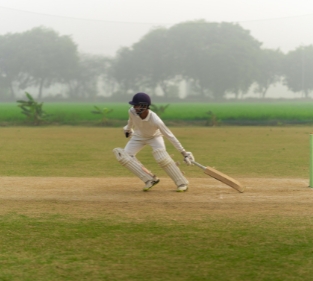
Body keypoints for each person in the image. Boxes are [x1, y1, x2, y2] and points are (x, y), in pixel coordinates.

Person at [113, 92, 194, 192]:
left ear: (144, 106)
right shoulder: (132, 111)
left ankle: (182, 183)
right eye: (133, 105)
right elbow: (131, 121)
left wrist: (184, 153)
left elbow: (170, 136)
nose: (134, 107)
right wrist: (128, 129)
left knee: (161, 157)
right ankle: (150, 179)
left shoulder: (155, 120)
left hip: (155, 137)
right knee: (123, 156)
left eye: (136, 105)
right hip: (138, 136)